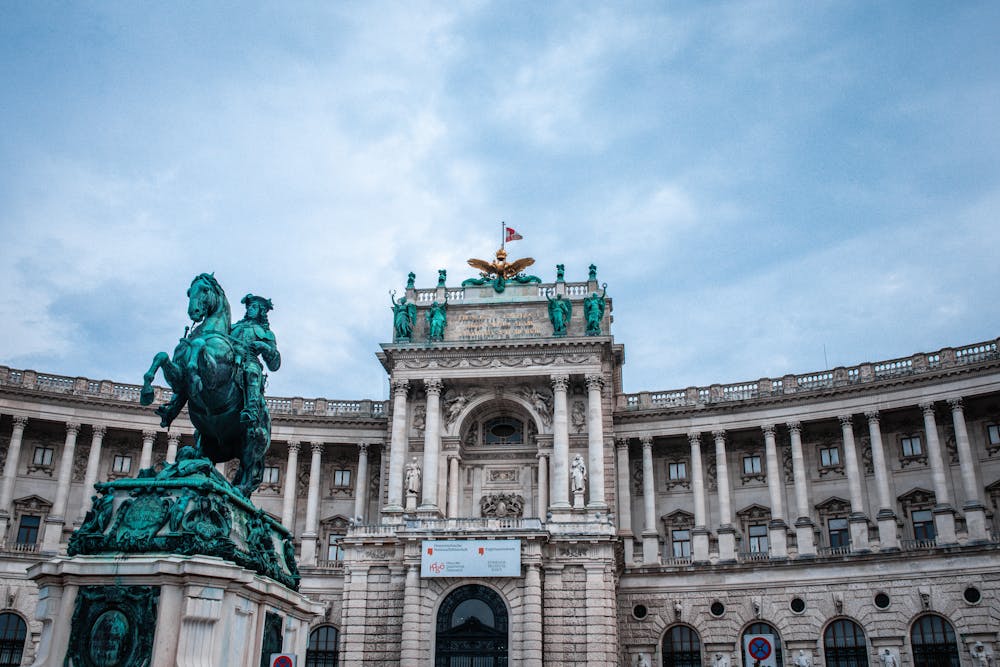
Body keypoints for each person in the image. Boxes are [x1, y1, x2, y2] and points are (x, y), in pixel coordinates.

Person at [230, 294, 281, 425]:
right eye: (249, 307)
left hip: (249, 361)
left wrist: (265, 347)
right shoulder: (233, 327)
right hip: (229, 360)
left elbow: (275, 364)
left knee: (251, 372)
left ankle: (251, 410)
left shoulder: (266, 333)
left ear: (261, 311)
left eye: (254, 307)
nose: (250, 309)